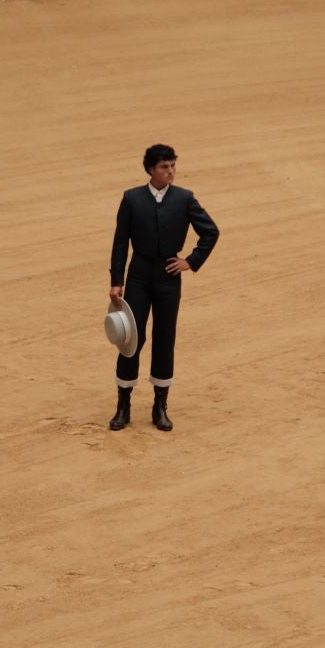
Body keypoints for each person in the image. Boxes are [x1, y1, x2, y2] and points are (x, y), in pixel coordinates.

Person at [106, 143, 220, 433]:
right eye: (164, 167)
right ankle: (123, 405)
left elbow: (211, 231)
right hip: (139, 277)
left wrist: (191, 261)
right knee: (132, 338)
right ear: (150, 170)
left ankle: (160, 406)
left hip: (169, 276)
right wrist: (116, 281)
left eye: (172, 165)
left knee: (165, 336)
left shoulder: (184, 198)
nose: (171, 171)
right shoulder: (132, 199)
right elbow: (121, 242)